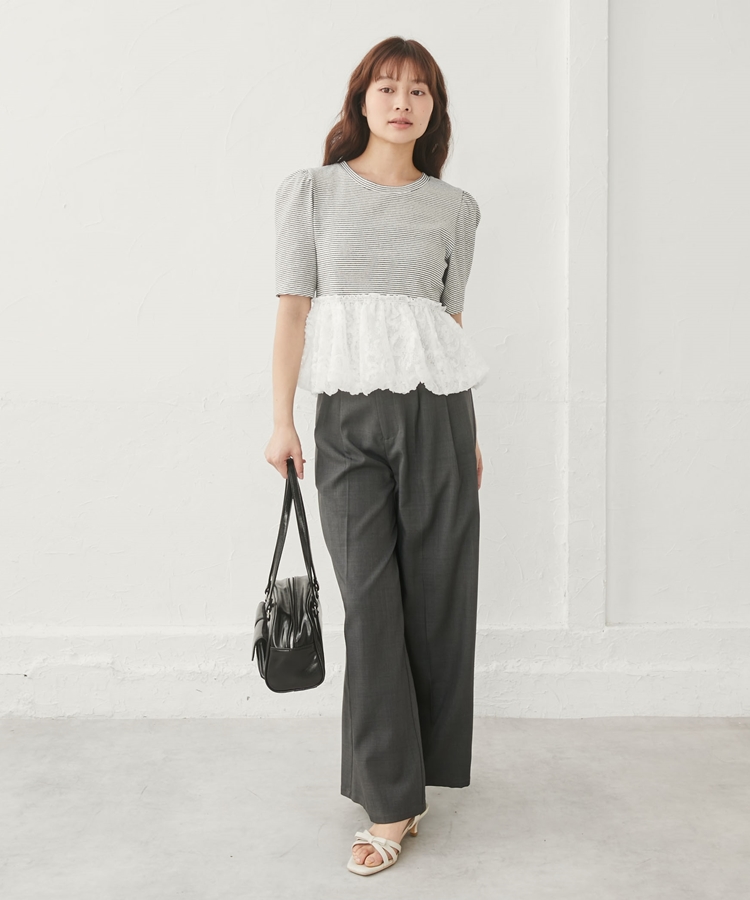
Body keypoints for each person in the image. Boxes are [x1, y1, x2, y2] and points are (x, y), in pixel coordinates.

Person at [264, 35, 490, 876]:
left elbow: (448, 322)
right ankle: (390, 799)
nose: (403, 102)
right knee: (370, 606)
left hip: (440, 415)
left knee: (436, 604)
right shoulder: (313, 192)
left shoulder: (455, 208)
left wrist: (473, 437)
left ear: (435, 109)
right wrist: (281, 421)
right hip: (347, 418)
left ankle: (411, 783)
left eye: (419, 91)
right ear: (361, 100)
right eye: (388, 87)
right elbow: (293, 310)